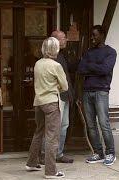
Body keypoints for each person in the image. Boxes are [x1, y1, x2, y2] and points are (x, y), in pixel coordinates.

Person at [26, 37, 68, 179]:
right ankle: (51, 171)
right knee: (52, 137)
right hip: (51, 102)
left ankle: (31, 163)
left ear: (44, 49)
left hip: (38, 102)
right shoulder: (56, 66)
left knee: (38, 132)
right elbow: (65, 86)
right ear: (55, 49)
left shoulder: (38, 64)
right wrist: (55, 87)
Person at [77, 25, 117, 166]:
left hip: (101, 91)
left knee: (104, 123)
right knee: (91, 125)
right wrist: (96, 67)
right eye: (91, 35)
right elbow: (81, 69)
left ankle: (111, 153)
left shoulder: (111, 52)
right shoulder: (88, 52)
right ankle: (98, 153)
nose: (92, 38)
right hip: (87, 91)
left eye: (95, 35)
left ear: (102, 35)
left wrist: (90, 66)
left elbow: (106, 70)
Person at [39, 30, 74, 164]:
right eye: (63, 38)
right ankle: (44, 155)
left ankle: (58, 153)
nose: (66, 40)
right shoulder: (50, 59)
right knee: (52, 127)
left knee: (64, 125)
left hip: (65, 97)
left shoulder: (61, 56)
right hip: (56, 98)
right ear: (55, 41)